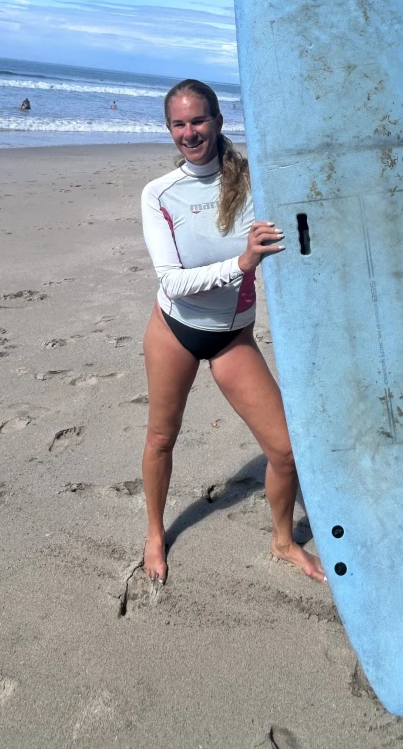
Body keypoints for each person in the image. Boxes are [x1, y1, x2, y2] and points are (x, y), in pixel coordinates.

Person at [139, 78, 325, 586]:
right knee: (161, 437)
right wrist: (241, 262)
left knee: (285, 450)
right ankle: (156, 534)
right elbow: (173, 282)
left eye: (198, 119)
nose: (189, 132)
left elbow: (308, 217)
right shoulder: (159, 195)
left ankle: (283, 540)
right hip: (175, 330)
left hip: (231, 336)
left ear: (219, 120)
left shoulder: (254, 182)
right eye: (178, 123)